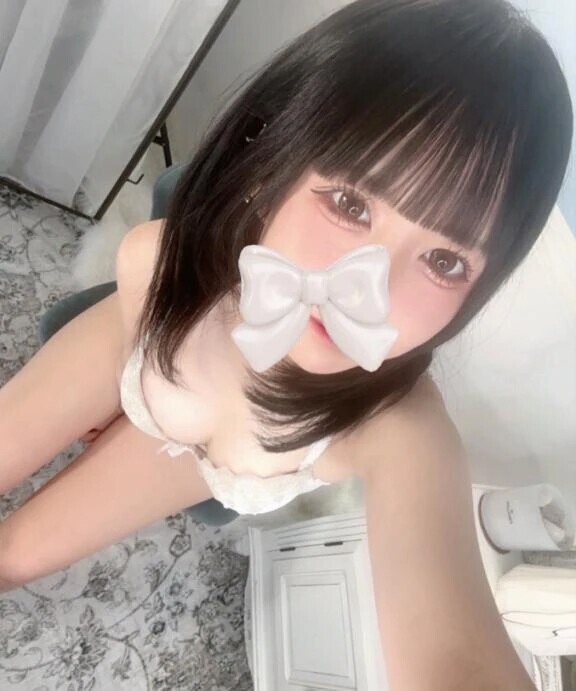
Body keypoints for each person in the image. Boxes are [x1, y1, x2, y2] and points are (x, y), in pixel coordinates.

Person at [0, 0, 572, 688]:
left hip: (189, 459)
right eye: (352, 205)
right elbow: (135, 308)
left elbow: (458, 660)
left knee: (13, 557)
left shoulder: (398, 431)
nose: (368, 291)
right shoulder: (160, 258)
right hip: (147, 338)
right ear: (273, 157)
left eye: (445, 261)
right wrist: (123, 392)